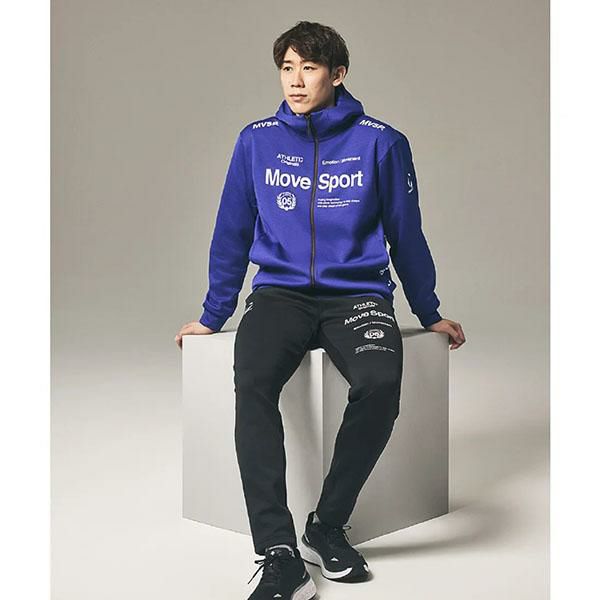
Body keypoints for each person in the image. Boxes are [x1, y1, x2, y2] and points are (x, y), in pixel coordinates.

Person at [175, 20, 466, 600]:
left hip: (357, 294)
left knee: (380, 384)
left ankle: (327, 525)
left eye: (308, 68)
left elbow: (406, 234)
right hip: (280, 294)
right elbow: (232, 231)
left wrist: (427, 308)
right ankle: (278, 552)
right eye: (287, 68)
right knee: (253, 381)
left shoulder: (382, 143)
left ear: (338, 74)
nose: (295, 80)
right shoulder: (255, 141)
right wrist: (213, 313)